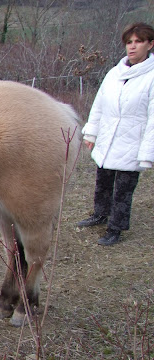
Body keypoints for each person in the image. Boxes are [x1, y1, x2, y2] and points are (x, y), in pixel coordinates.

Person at [77, 22, 154, 246]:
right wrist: (91, 133)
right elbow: (99, 105)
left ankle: (116, 228)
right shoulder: (115, 73)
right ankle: (100, 214)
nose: (132, 47)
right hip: (109, 138)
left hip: (133, 141)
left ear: (150, 44)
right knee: (103, 181)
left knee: (123, 189)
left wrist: (147, 152)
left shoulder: (151, 77)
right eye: (129, 42)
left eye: (139, 41)